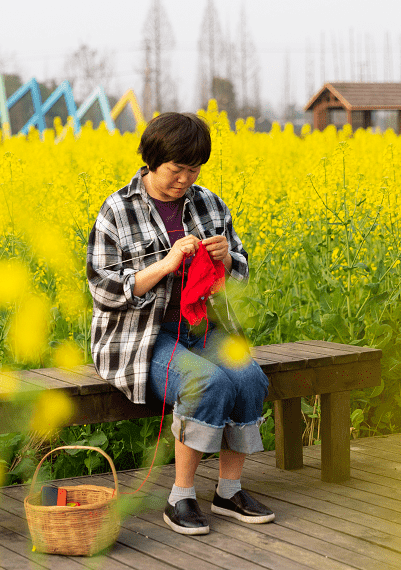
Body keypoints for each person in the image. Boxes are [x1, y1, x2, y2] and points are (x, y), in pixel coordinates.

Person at [87, 112, 274, 535]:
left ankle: (229, 491)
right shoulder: (118, 209)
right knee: (205, 382)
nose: (185, 179)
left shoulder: (209, 203)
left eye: (194, 170)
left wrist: (228, 258)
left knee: (249, 380)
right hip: (139, 338)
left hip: (202, 329)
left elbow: (240, 272)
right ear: (152, 160)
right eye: (177, 169)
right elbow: (103, 289)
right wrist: (165, 264)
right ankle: (180, 498)